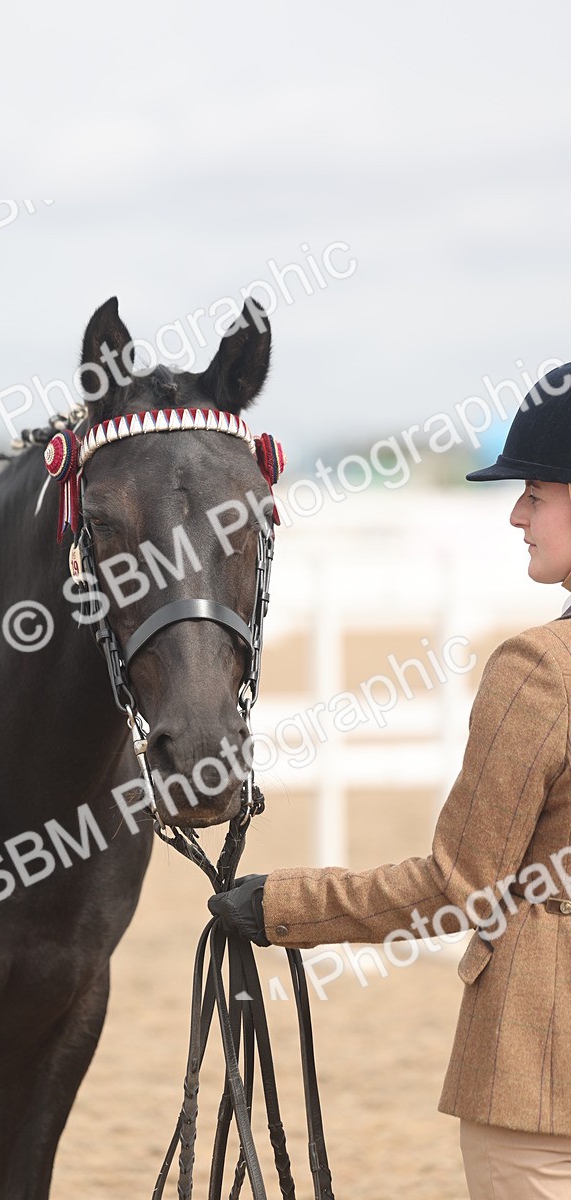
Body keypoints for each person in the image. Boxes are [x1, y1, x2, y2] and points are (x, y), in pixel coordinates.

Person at [209, 363, 571, 1200]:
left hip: (542, 1088)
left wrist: (281, 907)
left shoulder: (541, 669)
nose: (517, 513)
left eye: (538, 492)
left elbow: (459, 884)